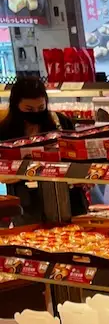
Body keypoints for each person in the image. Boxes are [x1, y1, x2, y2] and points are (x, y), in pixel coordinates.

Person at [0, 77, 87, 223]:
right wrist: (25, 171)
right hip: (27, 204)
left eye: (41, 108)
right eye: (29, 109)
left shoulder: (61, 123)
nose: (36, 113)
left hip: (69, 198)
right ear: (16, 105)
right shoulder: (5, 131)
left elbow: (76, 156)